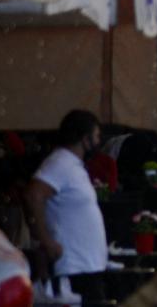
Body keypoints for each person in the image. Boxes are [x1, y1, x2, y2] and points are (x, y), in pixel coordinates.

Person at [24, 110, 108, 301]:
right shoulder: (60, 163)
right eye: (95, 136)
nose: (98, 142)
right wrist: (45, 240)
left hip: (86, 265)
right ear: (84, 139)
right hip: (73, 267)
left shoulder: (72, 165)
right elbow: (33, 194)